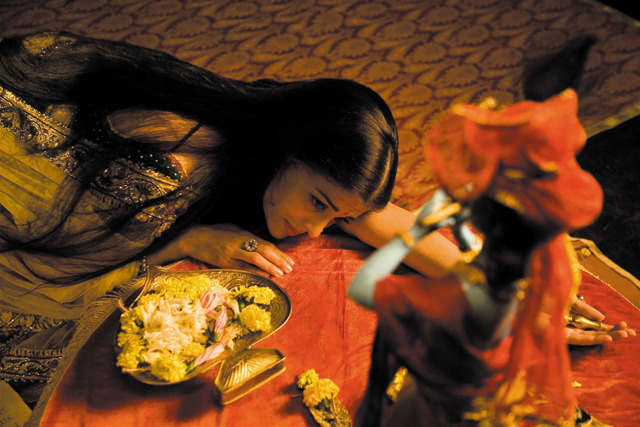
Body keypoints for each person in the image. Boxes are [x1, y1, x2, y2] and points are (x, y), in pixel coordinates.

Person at [0, 31, 630, 405]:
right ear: (288, 151)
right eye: (319, 204)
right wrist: (182, 241)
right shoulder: (165, 172)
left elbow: (378, 220)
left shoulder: (278, 147)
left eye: (333, 213)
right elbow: (52, 264)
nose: (315, 231)